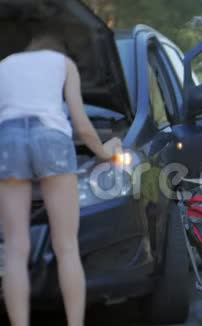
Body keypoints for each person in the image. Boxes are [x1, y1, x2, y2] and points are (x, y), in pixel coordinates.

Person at [0, 27, 121, 326]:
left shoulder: (4, 65)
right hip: (50, 138)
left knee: (15, 248)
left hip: (7, 141)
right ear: (60, 49)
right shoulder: (63, 63)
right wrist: (104, 153)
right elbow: (81, 125)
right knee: (66, 246)